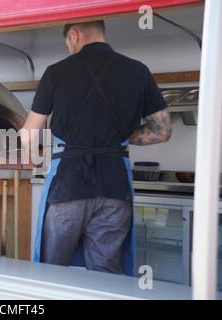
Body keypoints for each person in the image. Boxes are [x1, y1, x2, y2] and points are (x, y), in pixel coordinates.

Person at [23, 20, 172, 275]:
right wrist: (119, 138)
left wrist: (33, 158)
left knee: (52, 271)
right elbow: (163, 132)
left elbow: (28, 134)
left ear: (74, 35)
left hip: (68, 185)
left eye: (67, 43)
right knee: (105, 273)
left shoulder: (57, 72)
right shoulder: (138, 71)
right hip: (115, 188)